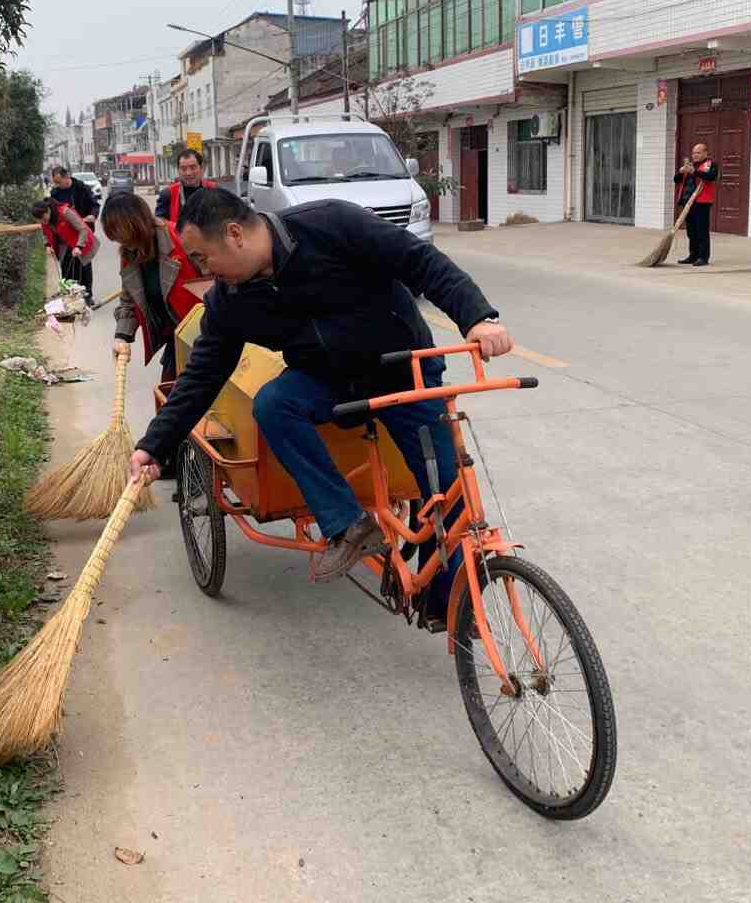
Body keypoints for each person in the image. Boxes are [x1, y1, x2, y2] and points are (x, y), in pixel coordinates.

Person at [129, 189, 513, 610]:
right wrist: (154, 446)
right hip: (328, 381)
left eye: (202, 258)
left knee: (447, 494)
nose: (204, 271)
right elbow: (202, 375)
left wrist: (478, 317)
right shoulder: (229, 302)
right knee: (273, 404)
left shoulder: (331, 223)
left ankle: (448, 606)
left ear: (234, 234)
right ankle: (347, 523)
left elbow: (420, 261)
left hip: (402, 371)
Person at [100, 192, 204, 385]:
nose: (124, 243)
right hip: (176, 338)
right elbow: (129, 299)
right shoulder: (129, 254)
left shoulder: (180, 239)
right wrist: (122, 336)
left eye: (124, 235)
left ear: (138, 223)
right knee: (170, 393)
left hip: (205, 333)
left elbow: (216, 280)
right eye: (117, 238)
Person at [50, 165, 100, 302]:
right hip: (65, 236)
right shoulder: (55, 194)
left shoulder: (82, 188)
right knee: (67, 266)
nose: (57, 185)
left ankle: (87, 295)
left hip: (82, 231)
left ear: (67, 177)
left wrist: (92, 215)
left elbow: (95, 205)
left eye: (59, 182)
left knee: (84, 265)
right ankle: (70, 296)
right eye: (55, 182)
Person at [31, 198, 99, 293]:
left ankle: (87, 296)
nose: (43, 222)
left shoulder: (65, 212)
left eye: (44, 219)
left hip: (81, 242)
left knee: (83, 272)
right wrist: (48, 245)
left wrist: (79, 246)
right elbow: (45, 233)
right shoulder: (44, 219)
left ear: (48, 211)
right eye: (40, 220)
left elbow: (83, 229)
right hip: (64, 246)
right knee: (67, 274)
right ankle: (70, 295)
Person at [674, 143, 719, 267]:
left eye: (698, 153)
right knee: (691, 231)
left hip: (701, 202)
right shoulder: (689, 166)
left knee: (701, 231)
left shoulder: (711, 165)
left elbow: (711, 177)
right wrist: (680, 172)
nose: (695, 155)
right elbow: (676, 180)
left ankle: (703, 257)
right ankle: (693, 255)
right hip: (688, 202)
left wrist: (695, 172)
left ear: (705, 153)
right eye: (693, 153)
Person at [155, 148, 215, 225]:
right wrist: (179, 227)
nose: (188, 173)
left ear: (201, 168)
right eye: (183, 169)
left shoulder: (214, 190)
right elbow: (159, 222)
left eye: (193, 167)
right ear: (178, 170)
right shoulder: (168, 194)